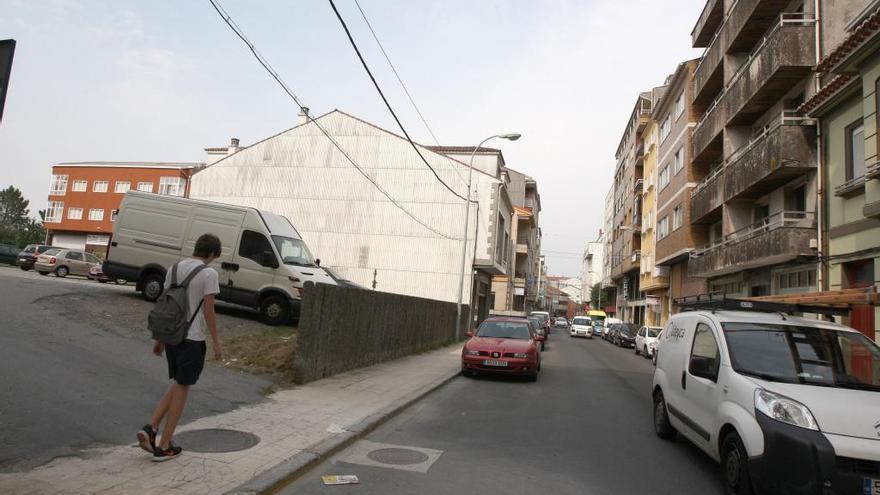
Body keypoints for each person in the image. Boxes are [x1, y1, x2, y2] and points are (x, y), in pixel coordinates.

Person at [136, 233, 223, 461]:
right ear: (212, 253)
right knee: (183, 388)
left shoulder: (174, 268)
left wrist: (160, 340)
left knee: (178, 383)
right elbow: (209, 311)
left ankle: (151, 428)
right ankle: (164, 446)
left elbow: (167, 308)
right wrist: (216, 343)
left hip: (172, 338)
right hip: (192, 339)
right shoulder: (208, 273)